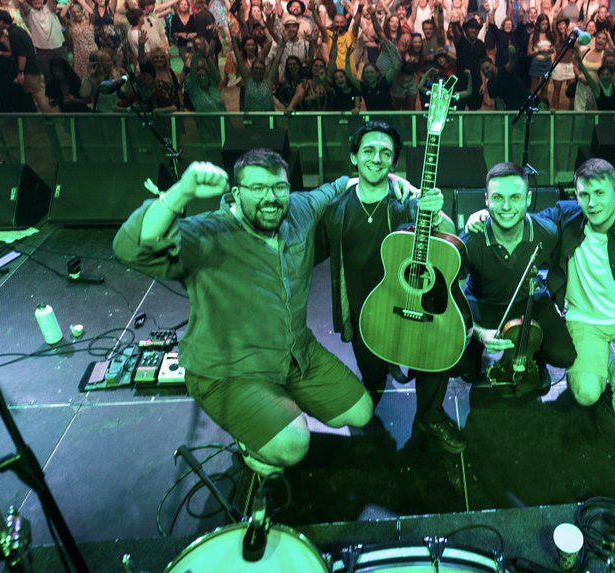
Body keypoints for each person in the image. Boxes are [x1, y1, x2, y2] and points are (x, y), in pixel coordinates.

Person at [113, 150, 408, 474]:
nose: (270, 198)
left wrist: (387, 179)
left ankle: (275, 407)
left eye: (278, 188)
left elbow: (333, 188)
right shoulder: (208, 233)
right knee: (294, 445)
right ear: (236, 194)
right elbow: (131, 247)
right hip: (229, 370)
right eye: (257, 188)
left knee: (362, 412)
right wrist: (180, 191)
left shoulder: (297, 209)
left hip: (295, 354)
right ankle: (252, 441)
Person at [468, 158, 615, 417]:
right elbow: (518, 218)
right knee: (587, 394)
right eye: (584, 194)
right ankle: (602, 372)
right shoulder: (566, 216)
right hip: (584, 321)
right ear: (575, 195)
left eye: (600, 193)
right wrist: (486, 216)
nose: (591, 203)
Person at [316, 121, 469, 453]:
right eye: (368, 150)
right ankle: (373, 394)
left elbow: (449, 235)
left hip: (413, 303)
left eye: (385, 153)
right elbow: (306, 249)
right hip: (365, 314)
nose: (376, 158)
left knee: (436, 355)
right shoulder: (335, 209)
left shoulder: (406, 201)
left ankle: (429, 416)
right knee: (371, 381)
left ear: (394, 163)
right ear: (354, 157)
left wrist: (437, 211)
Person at [461, 163, 575, 394]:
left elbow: (580, 208)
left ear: (528, 198)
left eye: (515, 197)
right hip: (483, 303)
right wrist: (480, 333)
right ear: (486, 199)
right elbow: (450, 297)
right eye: (498, 197)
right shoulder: (470, 241)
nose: (506, 206)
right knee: (459, 366)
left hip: (529, 301)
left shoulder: (547, 232)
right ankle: (476, 353)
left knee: (564, 355)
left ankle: (534, 354)